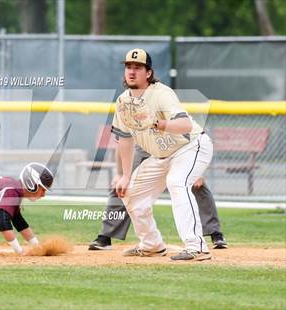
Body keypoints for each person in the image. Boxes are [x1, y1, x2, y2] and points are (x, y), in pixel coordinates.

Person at [110, 48, 215, 261]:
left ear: (148, 73)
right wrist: (125, 175)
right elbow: (125, 139)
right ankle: (152, 245)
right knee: (131, 192)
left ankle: (197, 247)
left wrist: (158, 123)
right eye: (128, 67)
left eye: (138, 67)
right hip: (161, 156)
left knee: (177, 182)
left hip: (191, 146)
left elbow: (185, 125)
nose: (132, 71)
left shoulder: (161, 93)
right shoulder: (123, 102)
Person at [89, 144, 228, 251]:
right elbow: (122, 143)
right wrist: (121, 174)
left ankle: (215, 233)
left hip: (175, 150)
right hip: (144, 151)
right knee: (122, 186)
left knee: (197, 185)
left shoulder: (168, 110)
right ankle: (105, 237)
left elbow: (193, 141)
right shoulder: (127, 113)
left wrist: (196, 171)